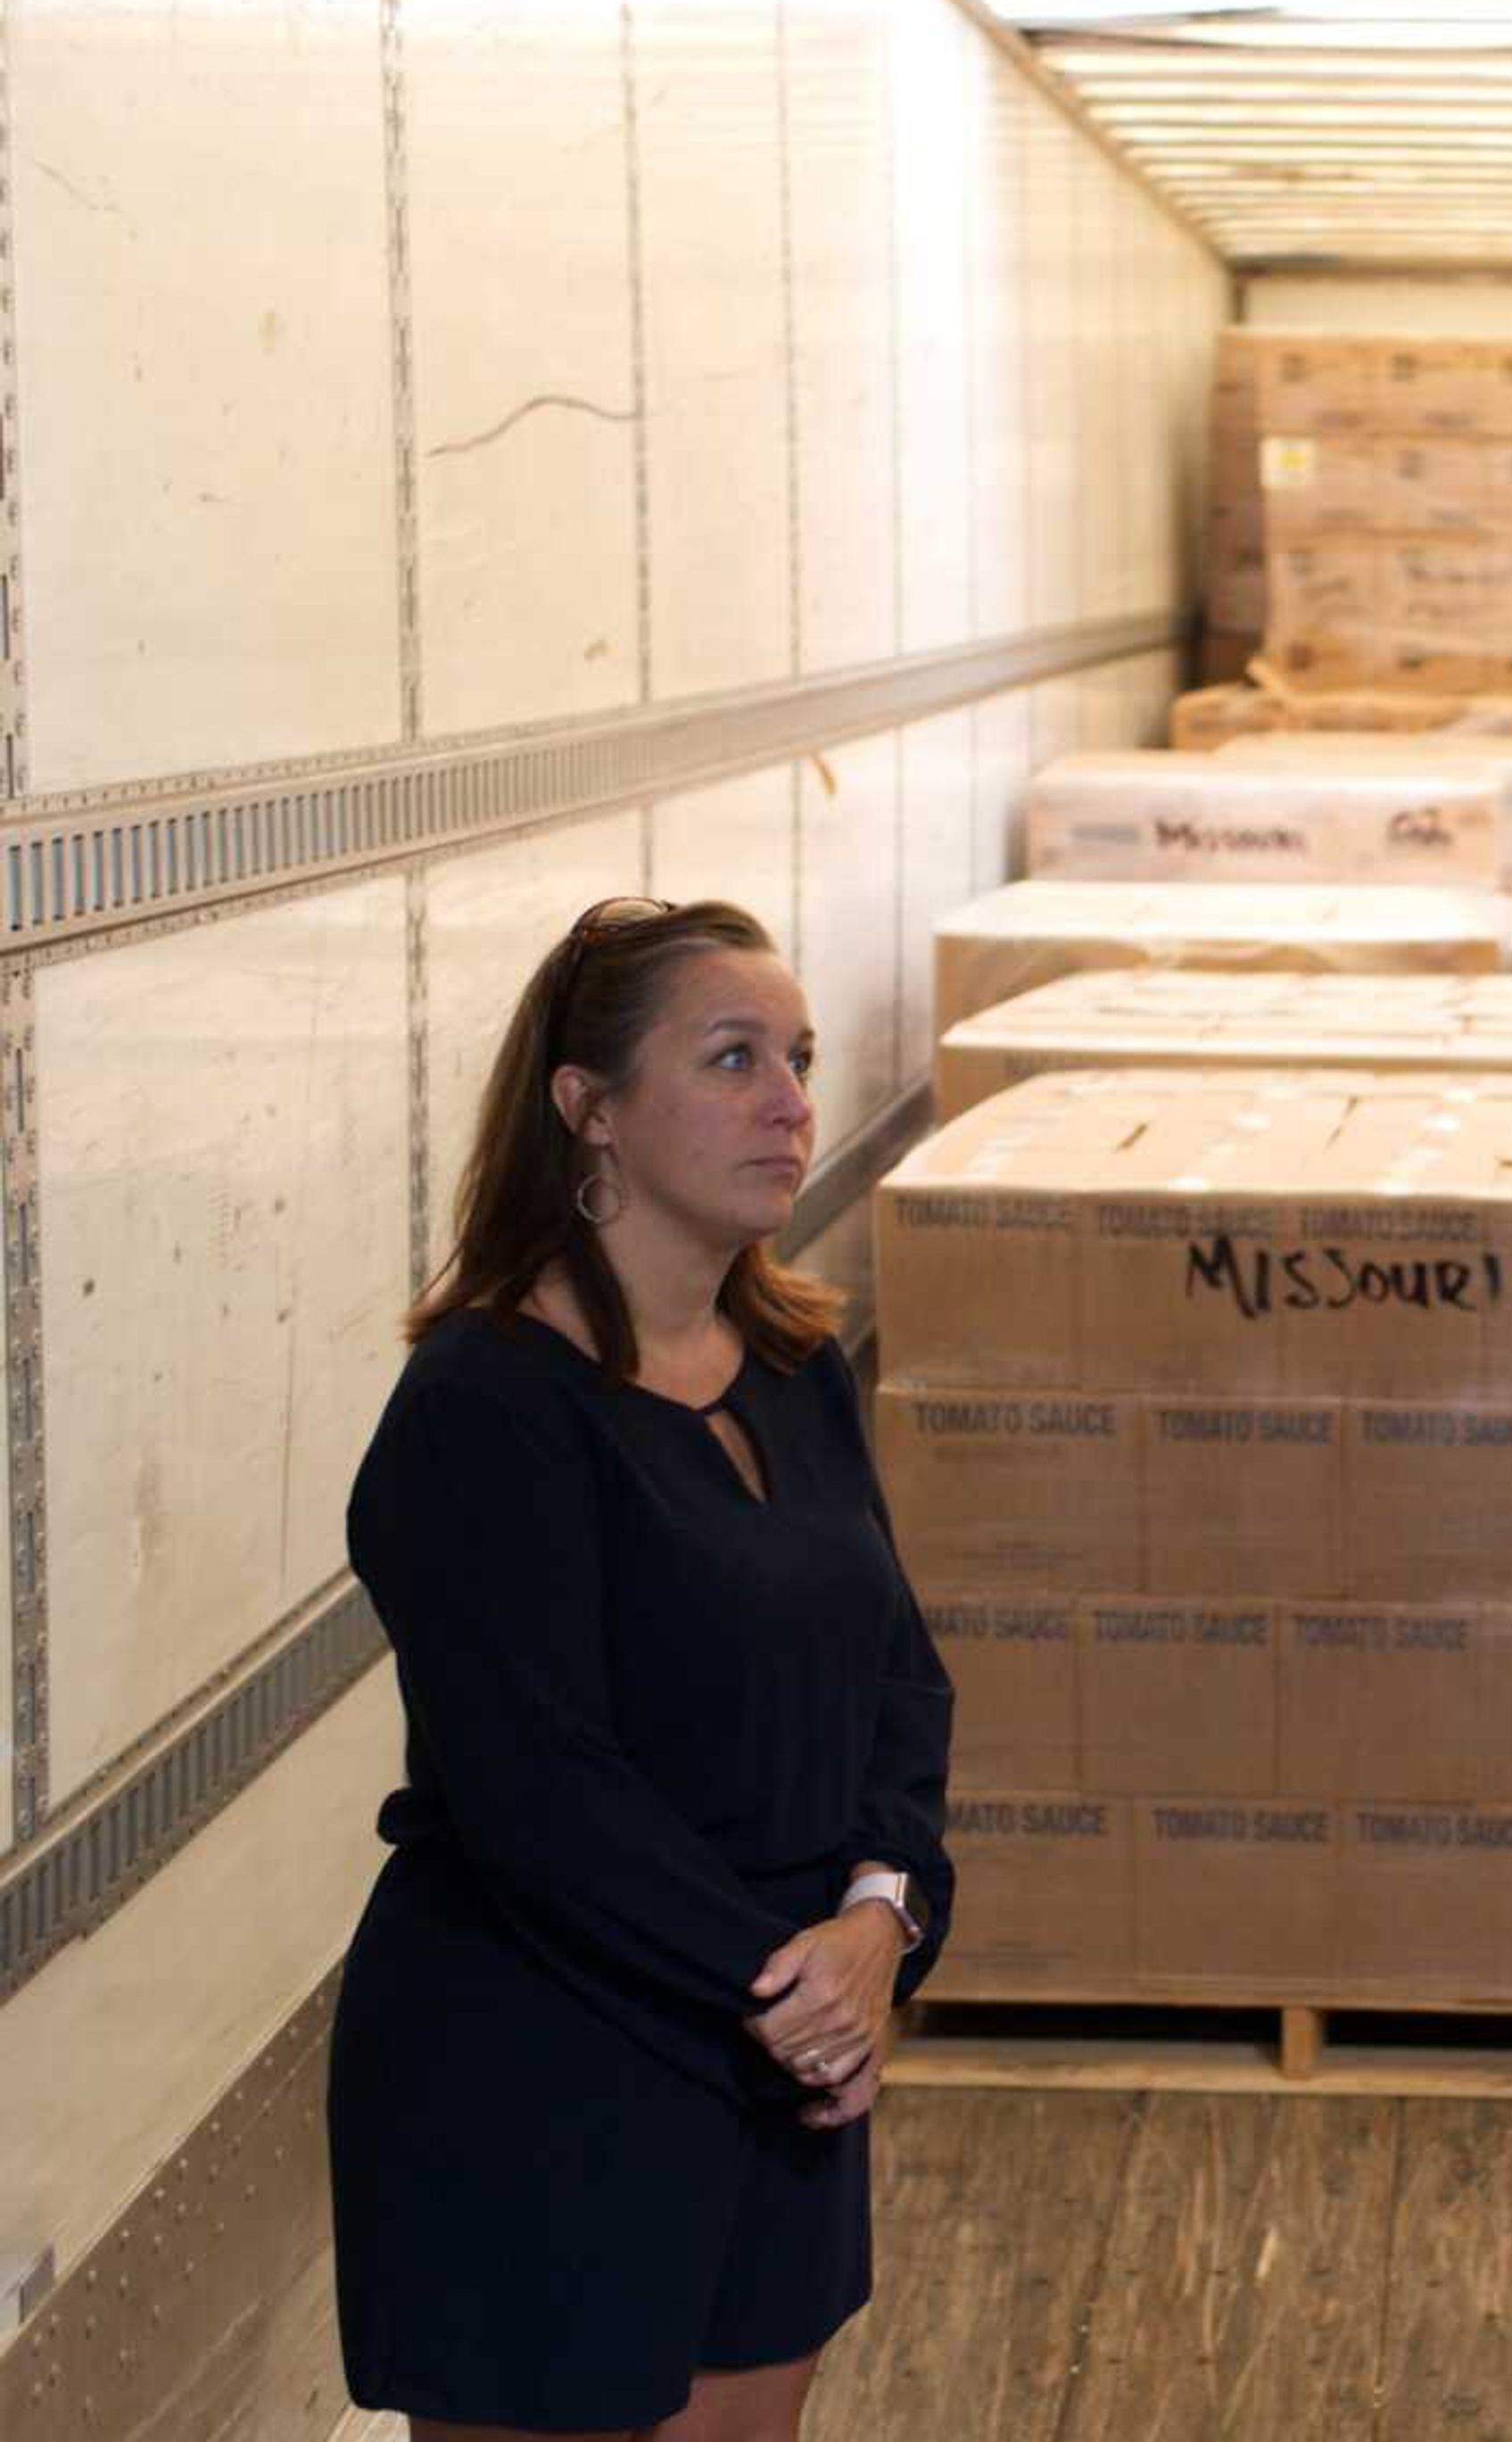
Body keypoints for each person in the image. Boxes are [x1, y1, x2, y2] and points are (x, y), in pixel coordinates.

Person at [328, 896, 956, 2442]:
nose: (792, 1102)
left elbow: (899, 1686)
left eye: (799, 1057)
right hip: (548, 2067)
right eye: (734, 1058)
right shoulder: (487, 1411)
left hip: (786, 2062)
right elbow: (536, 1785)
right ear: (588, 1108)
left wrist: (880, 1923)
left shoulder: (799, 1369)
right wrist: (796, 1990)